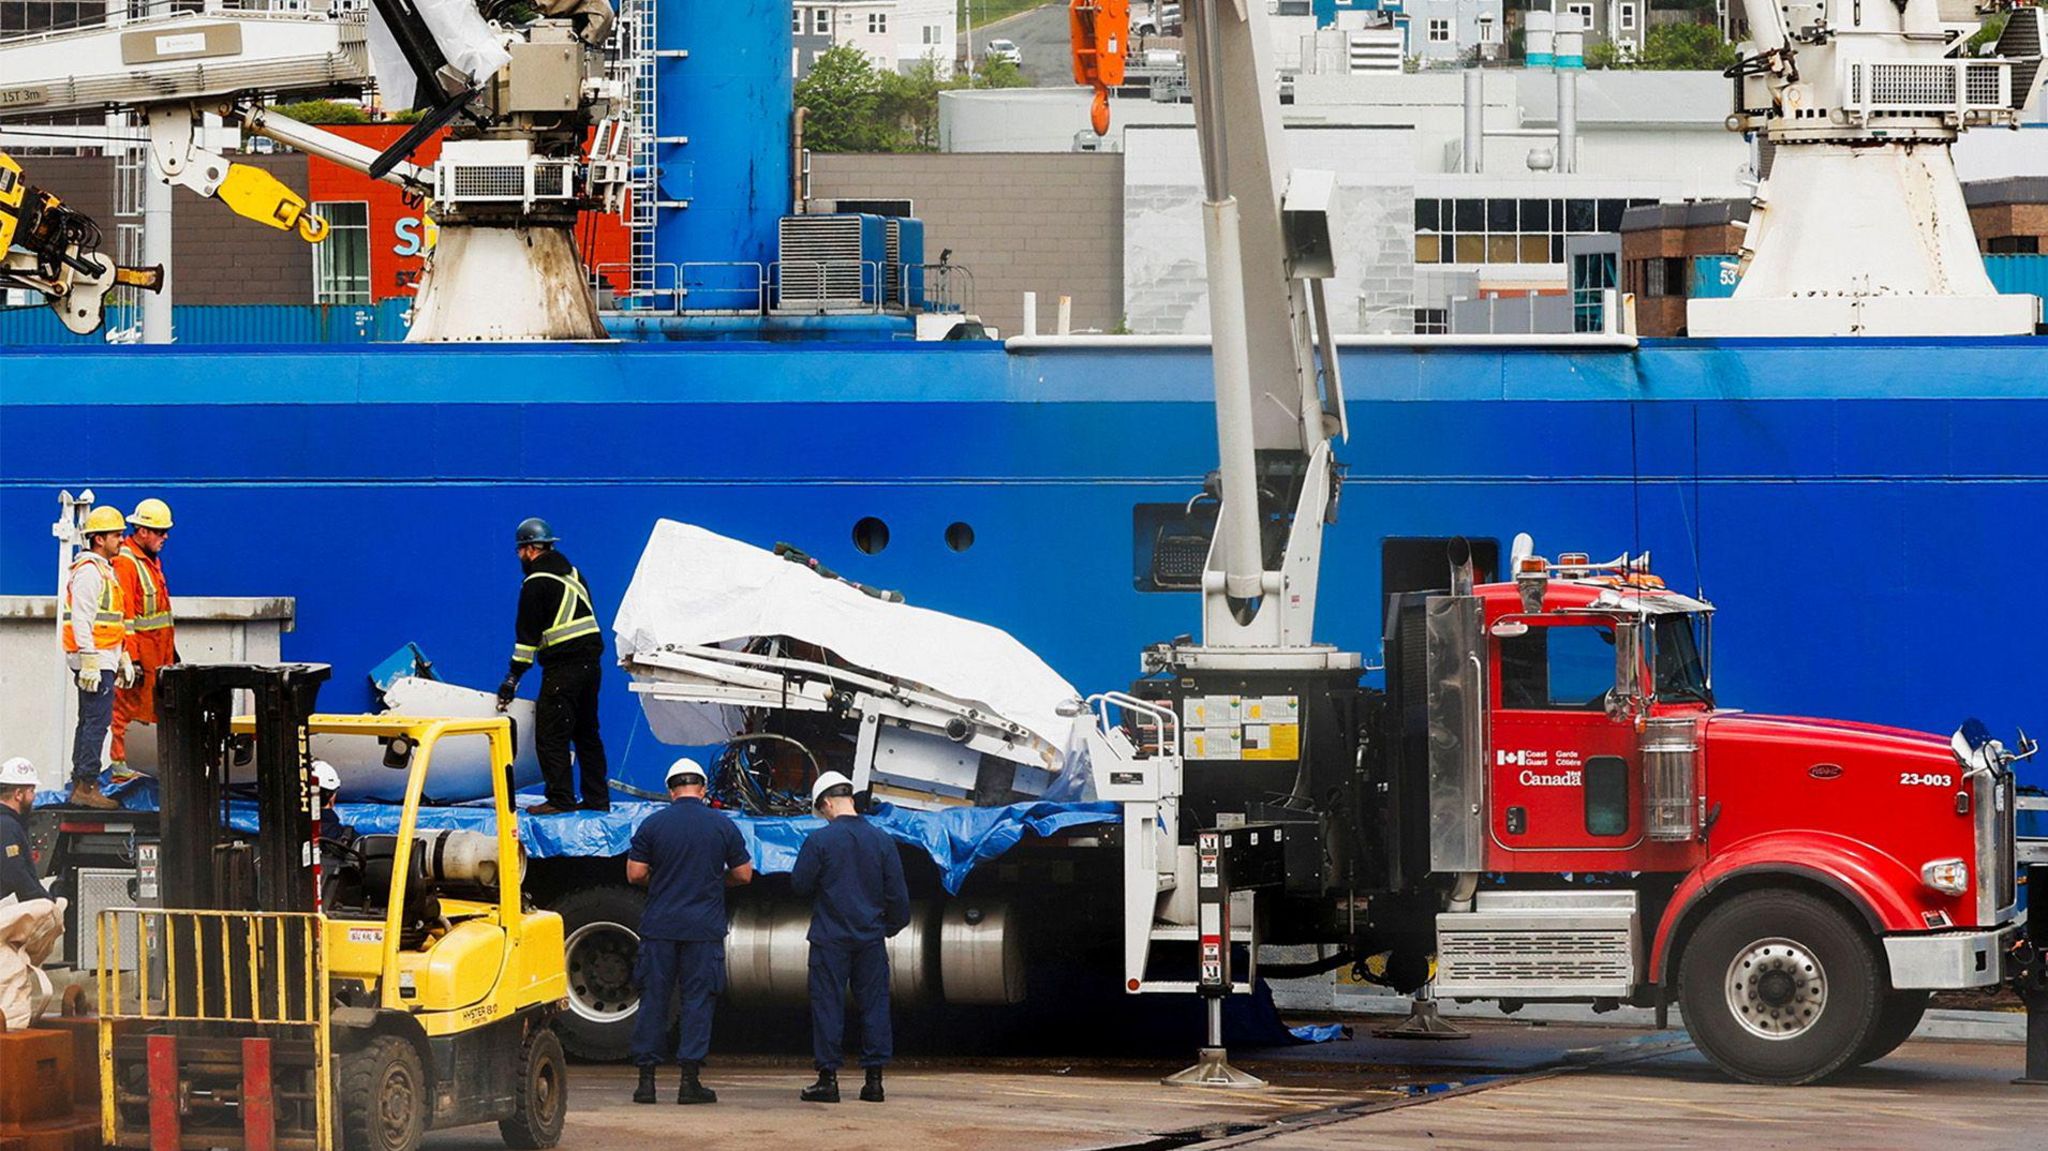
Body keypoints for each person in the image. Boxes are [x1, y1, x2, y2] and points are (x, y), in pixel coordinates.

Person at [625, 757, 754, 1105]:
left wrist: (662, 881)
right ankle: (689, 1082)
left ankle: (646, 1083)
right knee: (698, 1000)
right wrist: (715, 882)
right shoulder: (722, 826)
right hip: (703, 929)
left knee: (654, 999)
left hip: (660, 927)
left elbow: (635, 874)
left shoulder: (652, 825)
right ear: (703, 789)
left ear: (671, 790)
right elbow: (744, 875)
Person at [792, 771, 910, 1105]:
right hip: (870, 939)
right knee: (874, 1005)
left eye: (822, 810)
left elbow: (800, 885)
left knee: (828, 1005)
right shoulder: (882, 840)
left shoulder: (820, 841)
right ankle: (874, 1082)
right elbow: (898, 899)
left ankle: (827, 1080)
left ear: (827, 802)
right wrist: (886, 929)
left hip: (830, 938)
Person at [495, 518, 608, 815]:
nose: (520, 557)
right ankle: (597, 799)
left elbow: (526, 640)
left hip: (563, 669)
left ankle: (560, 798)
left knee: (551, 734)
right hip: (591, 666)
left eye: (520, 551)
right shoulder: (573, 575)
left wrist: (512, 679)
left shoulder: (535, 583)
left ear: (530, 549)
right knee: (587, 734)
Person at [62, 507, 128, 810]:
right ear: (99, 539)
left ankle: (81, 783)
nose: (121, 539)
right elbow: (82, 619)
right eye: (116, 534)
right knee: (96, 722)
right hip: (95, 660)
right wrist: (89, 658)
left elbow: (111, 620)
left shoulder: (102, 569)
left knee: (88, 721)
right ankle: (87, 786)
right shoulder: (90, 571)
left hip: (102, 657)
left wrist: (122, 655)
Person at [109, 498, 176, 781]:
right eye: (160, 531)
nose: (165, 537)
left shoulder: (149, 561)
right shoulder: (127, 563)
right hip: (141, 657)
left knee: (151, 715)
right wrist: (131, 659)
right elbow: (125, 617)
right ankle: (122, 770)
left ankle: (145, 767)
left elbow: (158, 615)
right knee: (128, 711)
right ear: (143, 531)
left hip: (158, 655)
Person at [0, 757, 53, 905]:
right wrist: (45, 904)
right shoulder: (7, 826)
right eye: (31, 790)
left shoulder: (10, 823)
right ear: (18, 794)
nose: (34, 796)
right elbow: (16, 872)